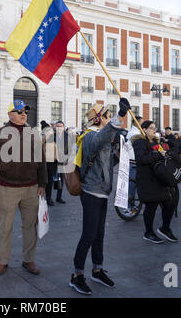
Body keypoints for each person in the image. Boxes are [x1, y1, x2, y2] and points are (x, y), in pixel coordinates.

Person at [69, 98, 131, 295]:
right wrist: (120, 116)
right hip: (91, 192)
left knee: (99, 234)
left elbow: (106, 163)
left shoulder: (102, 136)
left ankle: (97, 269)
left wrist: (123, 151)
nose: (108, 117)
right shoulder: (89, 136)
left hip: (103, 192)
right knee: (89, 234)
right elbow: (100, 140)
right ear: (98, 119)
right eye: (106, 115)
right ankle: (77, 274)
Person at [0, 100, 46, 276]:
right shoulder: (0, 133)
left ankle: (29, 260)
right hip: (7, 187)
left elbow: (42, 161)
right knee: (5, 226)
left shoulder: (34, 134)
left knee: (30, 226)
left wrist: (43, 183)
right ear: (10, 115)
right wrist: (7, 167)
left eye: (25, 111)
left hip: (31, 188)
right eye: (19, 111)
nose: (24, 114)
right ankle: (2, 261)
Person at [132, 121, 178, 244]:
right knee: (151, 207)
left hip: (159, 179)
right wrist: (158, 155)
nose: (154, 130)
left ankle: (165, 228)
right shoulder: (139, 142)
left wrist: (165, 155)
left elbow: (162, 155)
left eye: (155, 128)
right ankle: (148, 232)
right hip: (147, 180)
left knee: (170, 203)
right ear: (144, 129)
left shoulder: (156, 142)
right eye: (151, 128)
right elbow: (141, 159)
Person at [45, 120, 69, 206]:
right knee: (50, 180)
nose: (59, 128)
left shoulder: (67, 136)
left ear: (63, 127)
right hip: (52, 161)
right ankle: (48, 198)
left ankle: (59, 197)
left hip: (62, 161)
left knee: (60, 180)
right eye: (57, 126)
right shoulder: (51, 136)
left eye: (61, 126)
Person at [126, 116, 144, 209]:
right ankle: (130, 206)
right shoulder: (134, 132)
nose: (143, 124)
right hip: (133, 162)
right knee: (132, 185)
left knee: (134, 184)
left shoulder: (136, 131)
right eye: (142, 122)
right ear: (137, 123)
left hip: (135, 161)